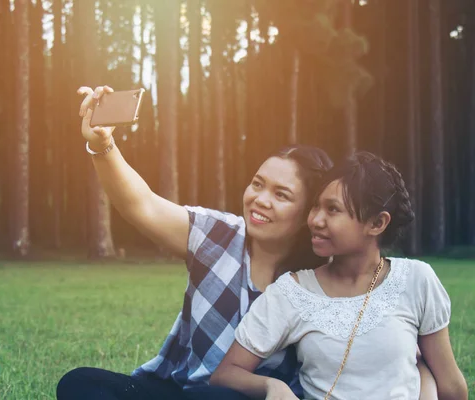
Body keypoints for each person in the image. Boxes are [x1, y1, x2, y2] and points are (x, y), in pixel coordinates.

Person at [55, 85, 332, 400]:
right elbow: (141, 204)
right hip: (175, 390)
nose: (260, 200)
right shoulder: (217, 234)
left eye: (281, 195)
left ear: (308, 212)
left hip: (237, 398)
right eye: (257, 184)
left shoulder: (318, 281)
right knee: (80, 383)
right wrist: (103, 143)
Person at [210, 151, 468, 400]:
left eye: (333, 210)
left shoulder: (416, 279)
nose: (315, 220)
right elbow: (226, 374)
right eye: (315, 207)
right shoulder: (292, 292)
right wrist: (271, 386)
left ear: (377, 224)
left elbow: (451, 385)